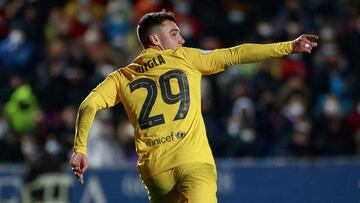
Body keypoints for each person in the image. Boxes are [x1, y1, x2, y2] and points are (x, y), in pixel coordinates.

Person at [70, 10, 318, 203]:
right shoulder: (185, 58)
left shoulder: (122, 76)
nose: (182, 38)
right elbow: (236, 54)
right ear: (155, 39)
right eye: (175, 33)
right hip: (192, 162)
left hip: (156, 173)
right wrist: (288, 46)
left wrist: (80, 148)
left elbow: (88, 105)